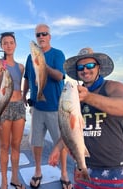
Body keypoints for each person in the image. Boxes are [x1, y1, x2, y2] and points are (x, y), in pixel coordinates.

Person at [48, 47, 123, 189]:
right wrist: (57, 148)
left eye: (90, 65)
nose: (85, 70)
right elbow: (70, 129)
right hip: (83, 167)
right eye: (81, 67)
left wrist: (88, 97)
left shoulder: (114, 87)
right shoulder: (75, 96)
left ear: (98, 67)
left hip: (114, 169)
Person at [23, 24, 73, 189]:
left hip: (56, 109)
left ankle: (64, 173)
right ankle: (38, 171)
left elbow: (60, 76)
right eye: (38, 35)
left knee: (62, 142)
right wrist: (24, 95)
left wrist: (43, 65)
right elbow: (28, 78)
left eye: (44, 34)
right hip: (37, 108)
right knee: (36, 142)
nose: (41, 37)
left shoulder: (58, 54)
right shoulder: (31, 57)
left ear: (49, 36)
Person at [0, 32, 26, 189]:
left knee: (16, 145)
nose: (8, 45)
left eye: (11, 42)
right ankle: (4, 181)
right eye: (5, 43)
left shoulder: (20, 67)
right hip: (5, 107)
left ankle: (14, 178)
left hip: (19, 107)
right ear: (1, 46)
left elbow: (20, 86)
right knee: (4, 146)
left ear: (15, 44)